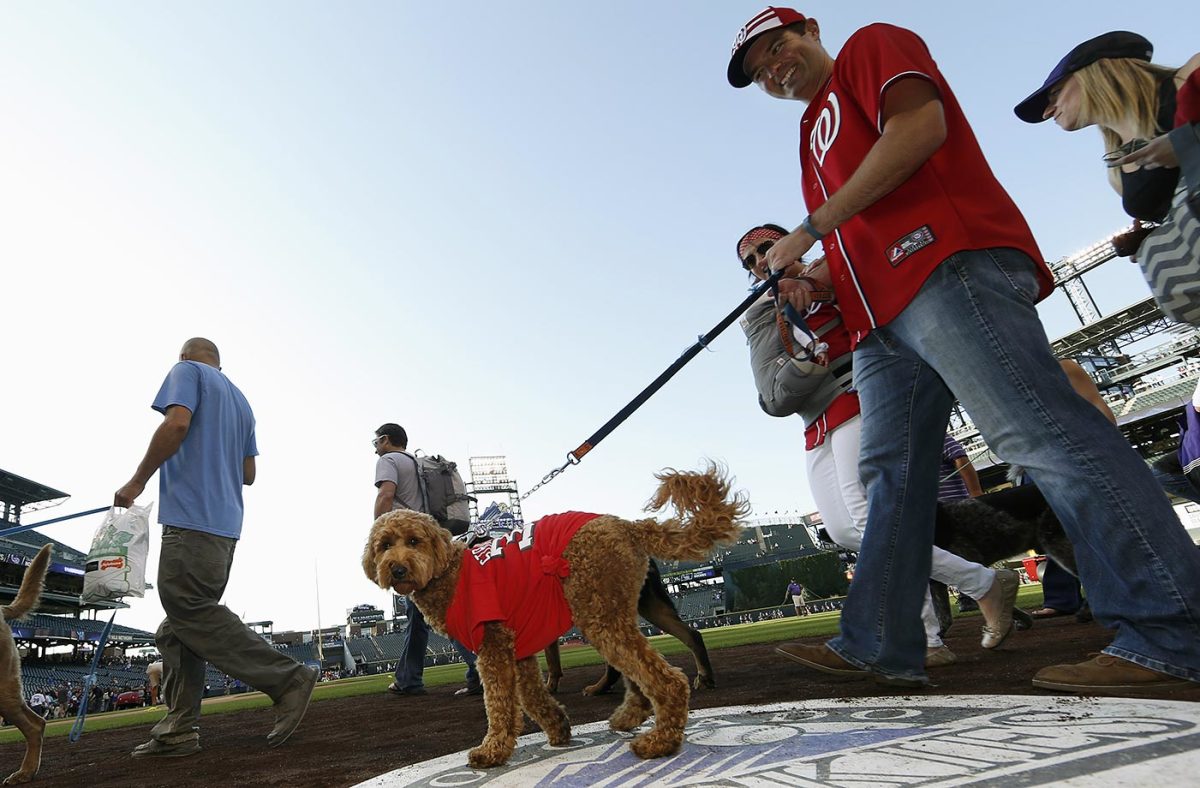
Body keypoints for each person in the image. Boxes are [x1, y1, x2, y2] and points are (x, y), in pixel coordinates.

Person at [727, 9, 1200, 692]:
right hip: (880, 314)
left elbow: (920, 130)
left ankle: (1170, 629)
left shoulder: (869, 46)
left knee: (1040, 437)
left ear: (812, 31)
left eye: (779, 47)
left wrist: (808, 231)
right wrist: (816, 274)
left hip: (942, 264)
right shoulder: (811, 131)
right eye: (759, 70)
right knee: (889, 477)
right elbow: (862, 229)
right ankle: (882, 639)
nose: (774, 68)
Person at [739, 224, 1017, 669]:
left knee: (868, 515)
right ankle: (981, 583)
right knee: (845, 530)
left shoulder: (831, 267)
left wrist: (814, 285)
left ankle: (924, 638)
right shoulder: (761, 309)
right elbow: (771, 386)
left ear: (789, 243)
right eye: (749, 262)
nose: (759, 263)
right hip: (815, 418)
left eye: (765, 249)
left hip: (860, 394)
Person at [115, 338, 317, 757]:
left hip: (191, 519)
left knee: (186, 607)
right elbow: (249, 473)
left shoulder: (186, 371)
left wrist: (136, 482)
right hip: (225, 527)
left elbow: (176, 425)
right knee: (177, 628)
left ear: (184, 355)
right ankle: (179, 728)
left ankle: (288, 678)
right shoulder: (241, 401)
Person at [1015, 32, 1199, 224]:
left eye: (1056, 93)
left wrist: (1188, 141)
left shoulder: (1189, 78)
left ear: (1098, 73)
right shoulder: (1116, 172)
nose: (1047, 113)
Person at [372, 424, 481, 697]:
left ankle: (479, 668)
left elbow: (386, 494)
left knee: (441, 611)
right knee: (421, 614)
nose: (375, 448)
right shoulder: (417, 463)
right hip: (426, 544)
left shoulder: (388, 460)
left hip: (408, 549)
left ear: (386, 439)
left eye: (376, 442)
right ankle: (409, 678)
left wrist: (379, 534)